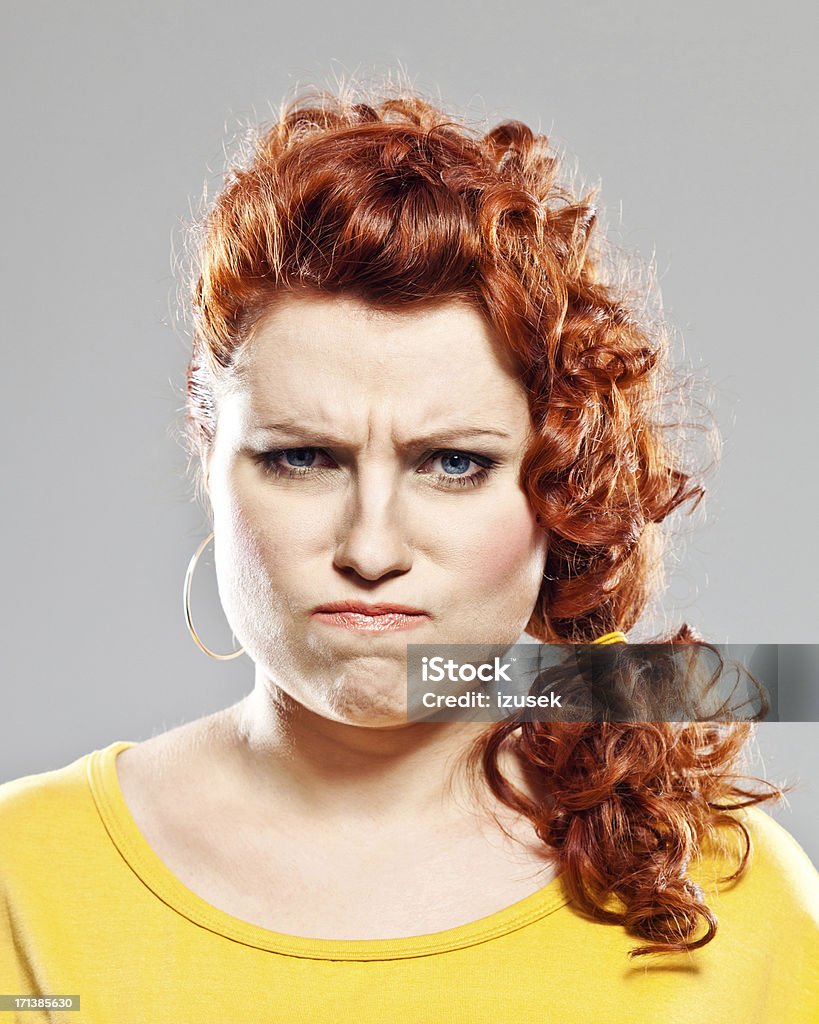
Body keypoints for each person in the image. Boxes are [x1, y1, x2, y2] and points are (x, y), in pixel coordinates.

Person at [1, 81, 817, 1023]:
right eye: (302, 457)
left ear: (559, 487)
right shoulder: (27, 878)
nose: (371, 547)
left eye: (454, 463)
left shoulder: (723, 904)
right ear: (211, 464)